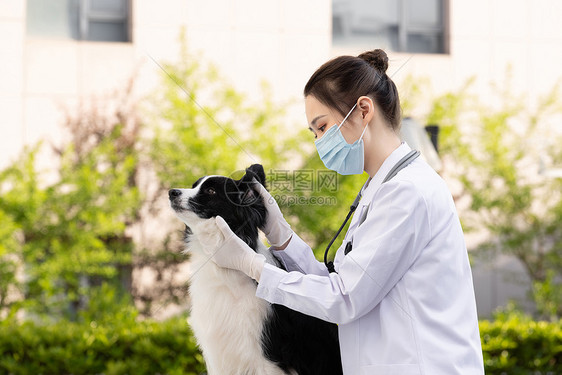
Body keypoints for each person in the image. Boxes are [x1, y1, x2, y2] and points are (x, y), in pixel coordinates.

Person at [203, 49, 485, 375]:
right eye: (314, 133)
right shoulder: (380, 189)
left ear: (364, 109)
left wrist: (253, 266)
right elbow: (342, 283)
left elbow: (344, 299)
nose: (319, 142)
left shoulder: (408, 193)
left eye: (322, 127)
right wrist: (279, 235)